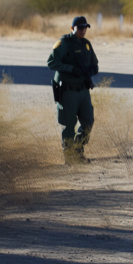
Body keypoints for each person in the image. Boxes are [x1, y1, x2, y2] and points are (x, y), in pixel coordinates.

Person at [46, 16, 98, 163]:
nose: (83, 30)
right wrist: (70, 69)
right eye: (80, 28)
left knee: (88, 122)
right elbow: (51, 63)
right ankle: (70, 158)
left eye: (85, 28)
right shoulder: (63, 43)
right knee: (69, 125)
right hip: (68, 91)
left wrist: (93, 70)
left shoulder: (87, 44)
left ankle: (78, 149)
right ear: (72, 28)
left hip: (83, 91)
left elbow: (95, 63)